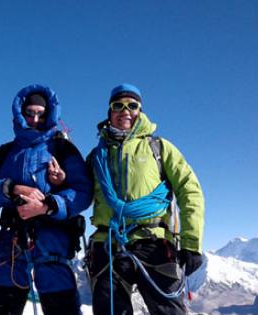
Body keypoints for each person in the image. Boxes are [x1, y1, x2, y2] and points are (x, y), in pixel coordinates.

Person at [87, 83, 205, 315]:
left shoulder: (159, 148)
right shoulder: (96, 156)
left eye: (132, 105)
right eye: (118, 105)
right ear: (110, 111)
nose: (125, 111)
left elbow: (189, 190)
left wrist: (191, 243)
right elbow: (79, 193)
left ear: (140, 111)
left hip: (154, 241)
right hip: (108, 245)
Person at [0, 84, 93, 315]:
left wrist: (48, 205)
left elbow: (83, 191)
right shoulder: (4, 152)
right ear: (21, 114)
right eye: (30, 113)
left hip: (53, 242)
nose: (35, 119)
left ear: (50, 115)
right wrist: (11, 188)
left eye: (41, 113)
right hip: (12, 242)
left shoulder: (63, 148)